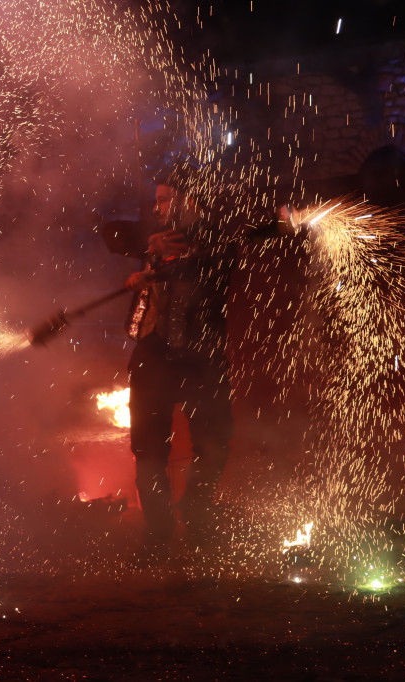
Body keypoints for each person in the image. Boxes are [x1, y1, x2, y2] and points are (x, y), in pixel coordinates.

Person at [102, 168, 298, 558]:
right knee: (149, 450)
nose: (156, 209)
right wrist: (146, 261)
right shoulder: (153, 239)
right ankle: (157, 535)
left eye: (163, 200)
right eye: (155, 201)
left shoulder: (219, 235)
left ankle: (196, 513)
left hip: (202, 362)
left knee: (214, 445)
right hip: (153, 359)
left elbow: (235, 236)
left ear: (188, 201)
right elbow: (110, 232)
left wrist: (284, 220)